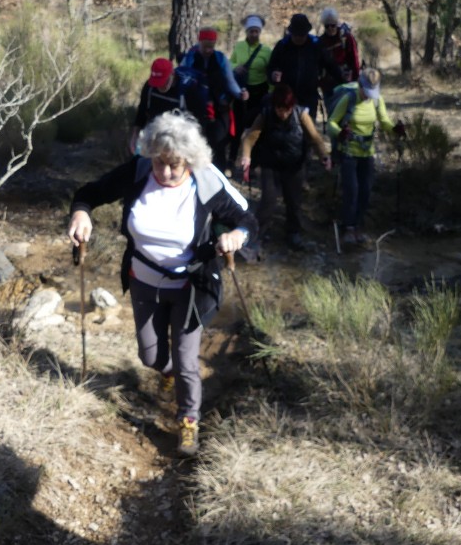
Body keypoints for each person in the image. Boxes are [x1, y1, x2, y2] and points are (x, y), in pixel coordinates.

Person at [67, 112, 257, 457]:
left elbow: (246, 216)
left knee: (186, 361)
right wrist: (81, 213)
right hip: (144, 281)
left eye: (175, 165)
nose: (166, 172)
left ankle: (188, 422)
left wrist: (235, 236)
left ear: (189, 160)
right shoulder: (140, 171)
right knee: (150, 355)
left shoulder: (206, 179)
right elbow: (89, 193)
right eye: (160, 163)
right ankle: (167, 373)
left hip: (191, 284)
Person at [236, 84, 331, 250]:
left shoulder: (301, 115)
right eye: (280, 109)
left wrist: (324, 156)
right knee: (268, 202)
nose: (283, 113)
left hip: (294, 166)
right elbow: (250, 138)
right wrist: (246, 156)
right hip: (270, 165)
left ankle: (293, 233)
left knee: (293, 202)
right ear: (274, 106)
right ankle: (258, 234)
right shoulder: (265, 115)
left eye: (287, 109)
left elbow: (315, 138)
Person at [327, 68, 406, 246]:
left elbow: (384, 121)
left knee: (365, 191)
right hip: (348, 152)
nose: (369, 96)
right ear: (360, 86)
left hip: (367, 152)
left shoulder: (377, 101)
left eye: (372, 92)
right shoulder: (349, 98)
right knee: (352, 190)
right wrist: (340, 133)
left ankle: (358, 226)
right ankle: (348, 227)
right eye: (366, 92)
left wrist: (394, 129)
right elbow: (331, 122)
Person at [180, 27, 248, 170]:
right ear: (199, 42)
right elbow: (181, 80)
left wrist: (240, 93)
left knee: (218, 145)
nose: (208, 50)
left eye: (211, 46)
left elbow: (230, 81)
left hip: (219, 109)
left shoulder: (220, 59)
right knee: (196, 143)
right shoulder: (190, 58)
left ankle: (219, 174)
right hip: (195, 110)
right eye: (205, 46)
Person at [128, 57, 209, 155]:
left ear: (172, 74)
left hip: (179, 140)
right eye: (156, 82)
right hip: (154, 135)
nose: (160, 86)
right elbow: (142, 112)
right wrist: (135, 136)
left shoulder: (189, 91)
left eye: (164, 81)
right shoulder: (149, 87)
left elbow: (199, 122)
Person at [266, 13, 337, 122]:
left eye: (302, 35)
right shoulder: (282, 45)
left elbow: (331, 66)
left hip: (309, 97)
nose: (299, 38)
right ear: (291, 33)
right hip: (286, 98)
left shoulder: (316, 45)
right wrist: (273, 75)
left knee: (307, 132)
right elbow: (270, 67)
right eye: (296, 35)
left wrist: (340, 81)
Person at [228, 14, 272, 169]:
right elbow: (230, 63)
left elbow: (270, 72)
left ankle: (253, 164)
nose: (254, 34)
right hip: (241, 91)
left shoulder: (266, 51)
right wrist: (235, 67)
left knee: (256, 128)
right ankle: (232, 160)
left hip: (259, 93)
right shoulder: (239, 47)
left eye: (256, 31)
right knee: (238, 127)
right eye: (251, 31)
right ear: (246, 32)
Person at [317, 7, 361, 97]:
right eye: (327, 26)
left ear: (336, 24)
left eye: (333, 25)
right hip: (328, 84)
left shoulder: (346, 38)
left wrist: (356, 79)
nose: (330, 28)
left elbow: (354, 59)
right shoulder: (320, 41)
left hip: (346, 81)